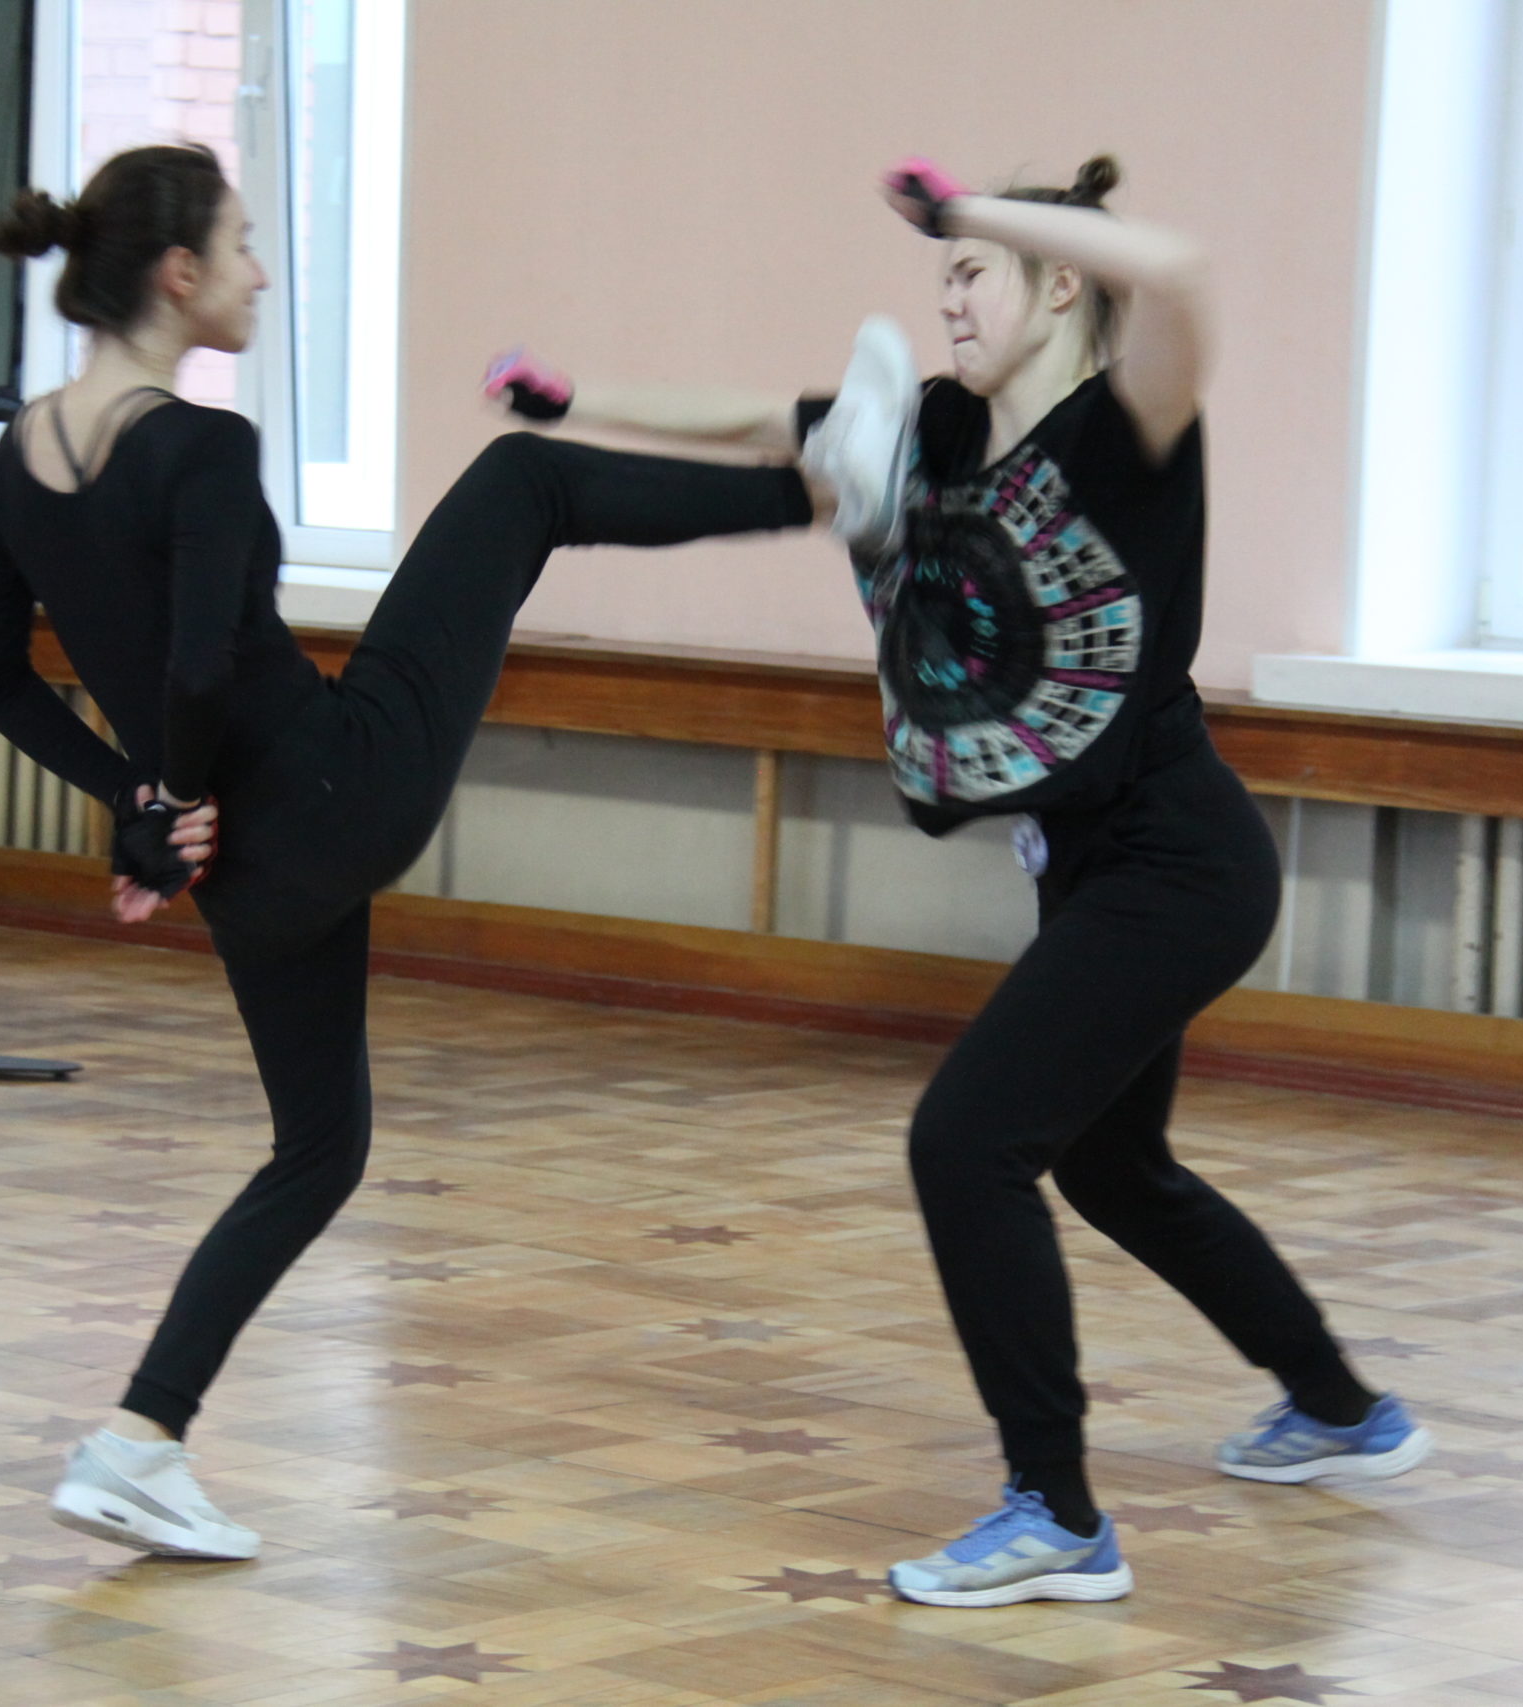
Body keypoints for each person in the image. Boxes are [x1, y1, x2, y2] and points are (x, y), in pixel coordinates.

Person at [494, 154, 1430, 1609]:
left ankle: (1056, 1514)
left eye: (972, 274)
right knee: (1111, 1166)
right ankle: (1339, 1407)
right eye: (941, 274)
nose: (948, 298)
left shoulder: (1132, 425)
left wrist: (972, 207)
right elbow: (772, 422)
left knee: (965, 1143)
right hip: (1095, 867)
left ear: (1057, 283)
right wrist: (575, 402)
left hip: (1181, 859)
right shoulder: (933, 432)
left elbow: (1179, 274)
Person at [0, 142, 825, 1560]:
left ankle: (136, 1442)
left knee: (317, 1149)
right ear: (177, 275)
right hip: (337, 784)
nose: (258, 273)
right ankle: (827, 490)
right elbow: (197, 662)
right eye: (241, 246)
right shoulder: (201, 447)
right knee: (523, 480)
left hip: (244, 874)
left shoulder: (15, 459)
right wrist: (173, 792)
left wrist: (147, 807)